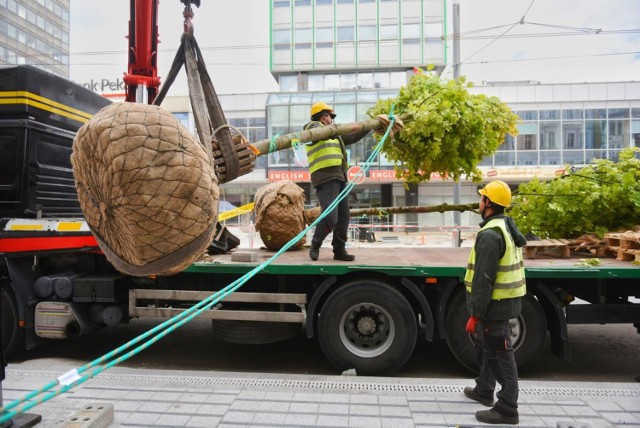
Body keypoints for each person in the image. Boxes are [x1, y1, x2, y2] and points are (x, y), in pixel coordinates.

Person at [462, 180, 527, 425]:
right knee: (488, 347)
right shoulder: (505, 226)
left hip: (495, 304)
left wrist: (475, 314)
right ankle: (484, 388)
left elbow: (484, 279)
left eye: (482, 198)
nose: (479, 201)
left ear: (488, 203)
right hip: (503, 302)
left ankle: (508, 407)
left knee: (501, 353)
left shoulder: (490, 234)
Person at [304, 102, 400, 262]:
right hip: (325, 178)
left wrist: (370, 126)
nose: (331, 120)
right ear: (321, 116)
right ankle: (315, 244)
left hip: (340, 177)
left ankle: (339, 250)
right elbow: (318, 130)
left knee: (343, 217)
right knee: (330, 217)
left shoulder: (335, 134)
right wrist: (328, 126)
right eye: (329, 116)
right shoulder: (312, 128)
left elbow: (352, 136)